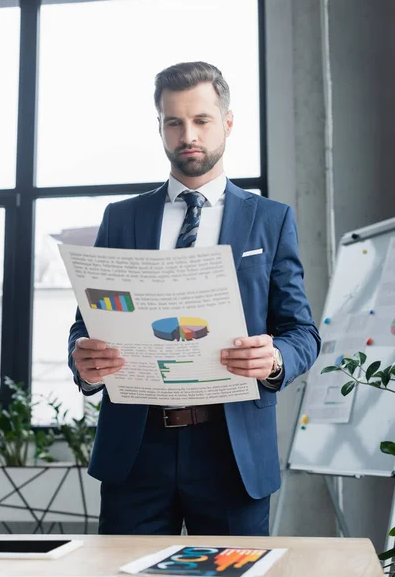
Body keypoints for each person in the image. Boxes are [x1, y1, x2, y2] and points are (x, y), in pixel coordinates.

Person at [68, 61, 320, 536]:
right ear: (160, 127)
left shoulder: (270, 219)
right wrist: (83, 362)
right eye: (174, 122)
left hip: (232, 449)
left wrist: (275, 359)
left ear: (227, 122)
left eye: (201, 120)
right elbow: (86, 325)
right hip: (136, 449)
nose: (189, 134)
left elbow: (301, 332)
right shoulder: (122, 218)